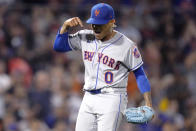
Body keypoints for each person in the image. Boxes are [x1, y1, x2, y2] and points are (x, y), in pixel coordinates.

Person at [53, 3, 153, 131]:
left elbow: (140, 74)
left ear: (112, 22)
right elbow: (58, 46)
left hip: (113, 97)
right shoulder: (85, 36)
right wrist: (65, 26)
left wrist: (148, 103)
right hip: (88, 97)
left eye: (100, 24)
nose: (96, 28)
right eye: (93, 24)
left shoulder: (127, 45)